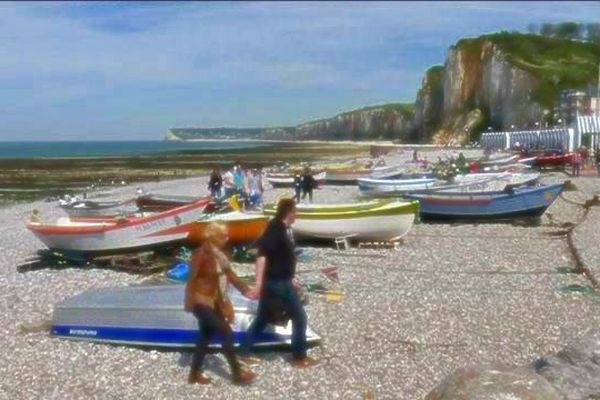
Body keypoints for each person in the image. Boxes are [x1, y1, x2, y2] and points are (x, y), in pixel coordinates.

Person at [242, 199, 318, 368]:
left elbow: (281, 257)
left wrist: (292, 277)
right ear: (289, 212)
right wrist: (258, 284)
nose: (297, 214)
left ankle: (243, 351)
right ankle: (299, 357)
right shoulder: (276, 229)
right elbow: (261, 255)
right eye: (295, 211)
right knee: (300, 317)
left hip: (282, 280)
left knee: (263, 318)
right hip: (277, 282)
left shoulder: (282, 228)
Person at [184, 223, 257, 385]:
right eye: (223, 235)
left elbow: (230, 275)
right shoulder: (200, 254)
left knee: (205, 337)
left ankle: (194, 374)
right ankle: (237, 375)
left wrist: (246, 290)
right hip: (200, 300)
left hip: (214, 300)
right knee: (225, 332)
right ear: (214, 236)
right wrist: (191, 303)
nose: (227, 238)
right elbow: (191, 281)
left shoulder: (221, 255)